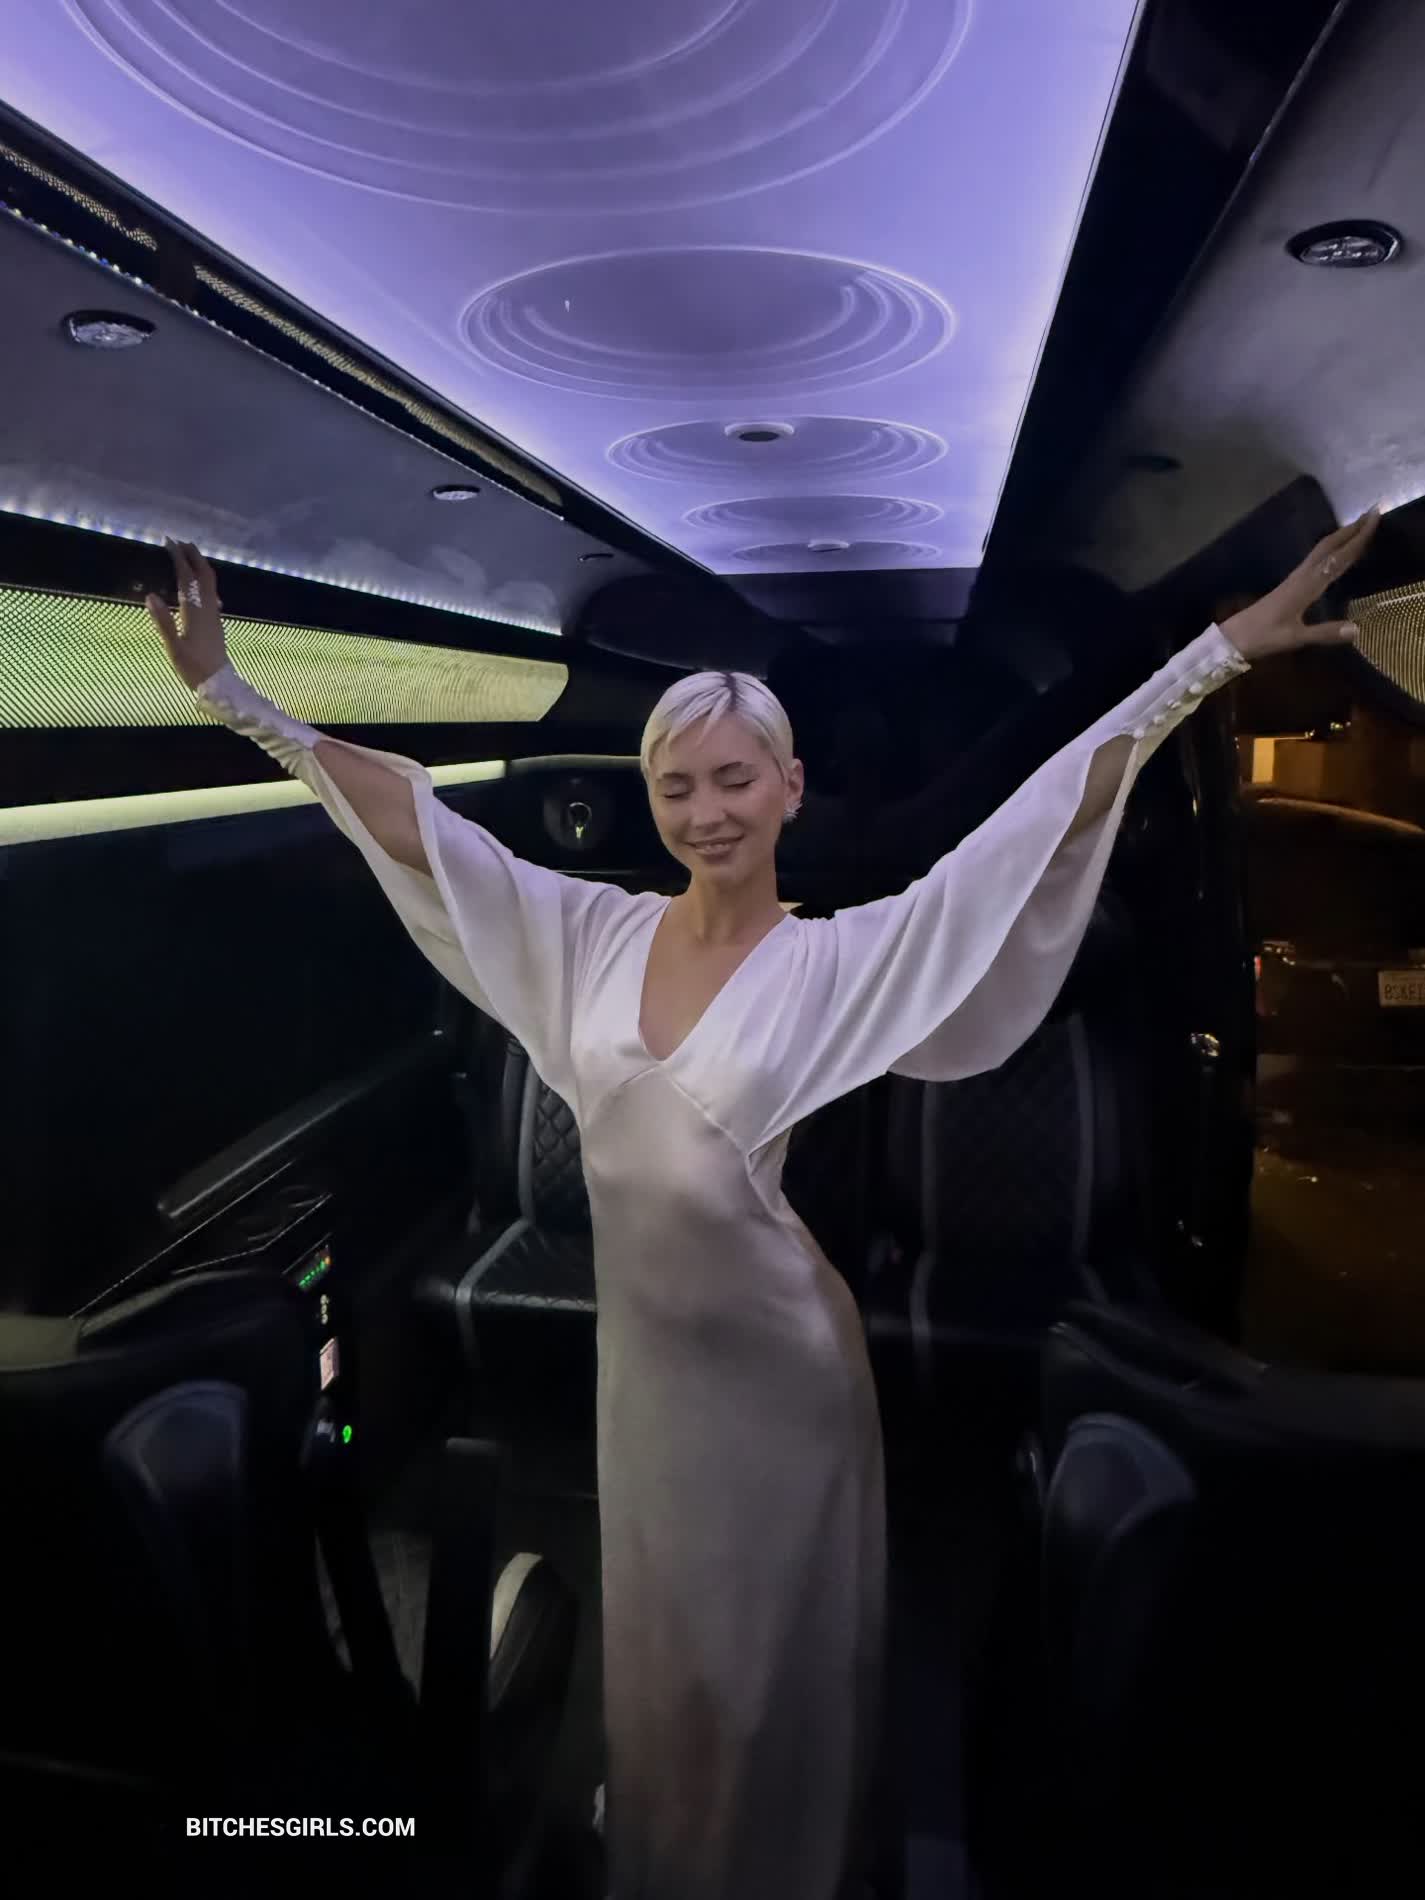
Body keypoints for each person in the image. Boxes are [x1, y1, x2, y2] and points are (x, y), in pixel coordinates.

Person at [146, 510, 1377, 1900]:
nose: (705, 812)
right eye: (676, 786)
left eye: (734, 779)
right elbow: (425, 832)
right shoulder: (589, 932)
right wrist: (239, 702)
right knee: (665, 1629)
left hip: (784, 1373)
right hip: (646, 1370)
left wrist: (1214, 657)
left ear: (790, 788)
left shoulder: (836, 959)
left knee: (771, 1647)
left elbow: (1043, 821)